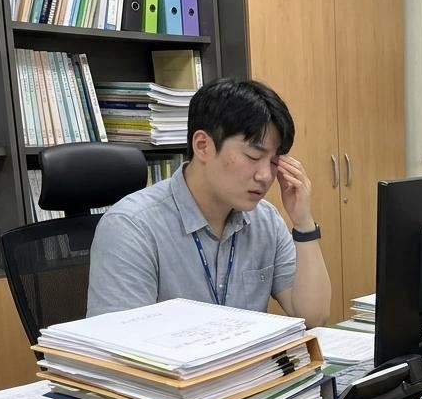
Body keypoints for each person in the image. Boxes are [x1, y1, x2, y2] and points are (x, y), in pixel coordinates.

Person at [87, 78, 332, 327]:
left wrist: (303, 222)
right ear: (202, 146)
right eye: (253, 156)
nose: (265, 176)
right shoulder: (131, 227)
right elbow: (117, 347)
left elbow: (314, 317)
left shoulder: (265, 220)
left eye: (273, 161)